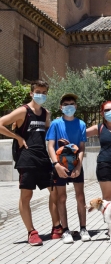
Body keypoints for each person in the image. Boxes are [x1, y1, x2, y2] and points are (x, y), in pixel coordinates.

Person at [0, 80, 61, 246]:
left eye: (44, 92)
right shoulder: (22, 111)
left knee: (54, 192)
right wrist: (18, 137)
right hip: (26, 159)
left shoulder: (46, 113)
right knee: (26, 195)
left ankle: (56, 227)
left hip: (43, 159)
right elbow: (0, 123)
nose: (41, 94)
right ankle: (31, 232)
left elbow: (47, 134)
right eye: (38, 91)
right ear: (31, 93)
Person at [46, 93, 90, 244]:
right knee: (61, 197)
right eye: (66, 104)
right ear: (61, 107)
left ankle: (83, 228)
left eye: (71, 104)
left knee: (80, 196)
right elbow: (50, 146)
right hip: (60, 165)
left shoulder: (81, 124)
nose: (69, 106)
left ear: (76, 106)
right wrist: (56, 165)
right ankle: (65, 231)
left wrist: (79, 165)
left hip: (76, 164)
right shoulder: (55, 124)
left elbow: (83, 147)